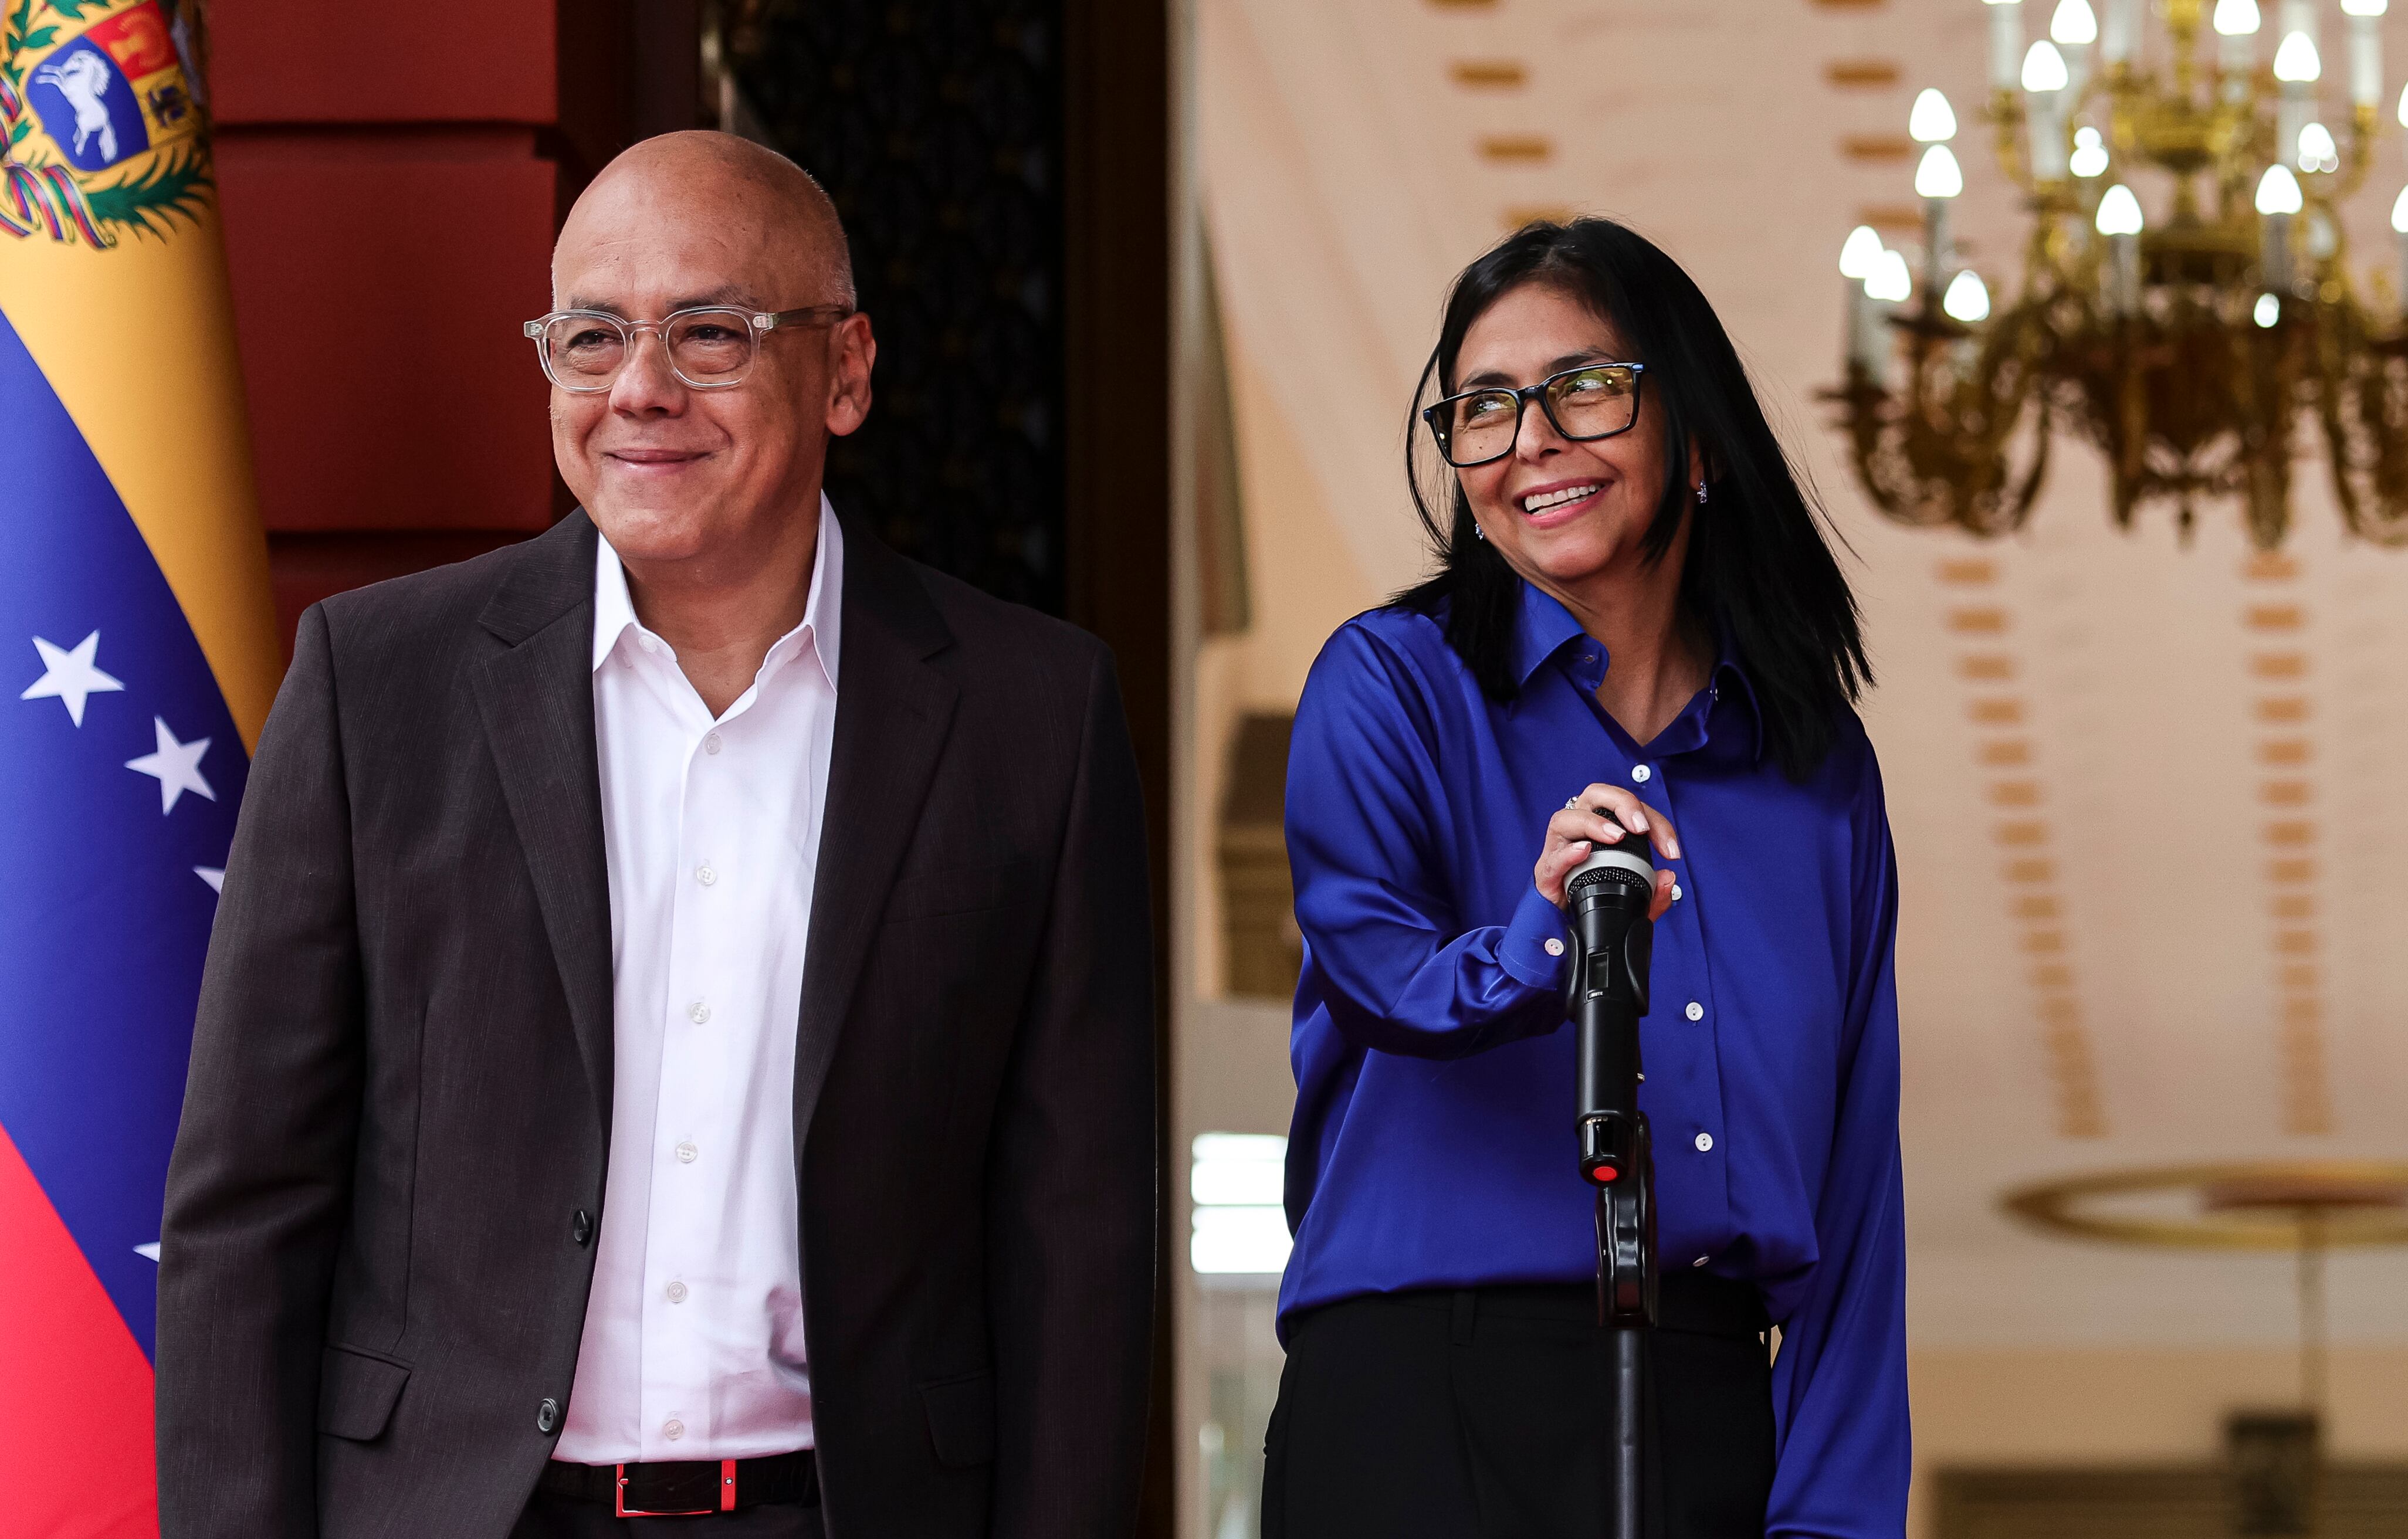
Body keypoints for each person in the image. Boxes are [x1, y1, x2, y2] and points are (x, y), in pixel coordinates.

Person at [155, 131, 1157, 1539]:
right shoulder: (375, 685)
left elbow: (1080, 1243)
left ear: (848, 370)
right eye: (590, 335)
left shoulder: (1030, 716)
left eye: (710, 332)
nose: (639, 388)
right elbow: (244, 1211)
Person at [1266, 218, 1907, 1538]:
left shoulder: (1816, 775)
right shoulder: (1389, 684)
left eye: (1583, 390)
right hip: (1415, 1396)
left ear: (1700, 434)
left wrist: (1835, 1521)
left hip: (1708, 1399)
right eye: (1483, 410)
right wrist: (1545, 933)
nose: (1529, 442)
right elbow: (1380, 973)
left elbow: (1855, 1192)